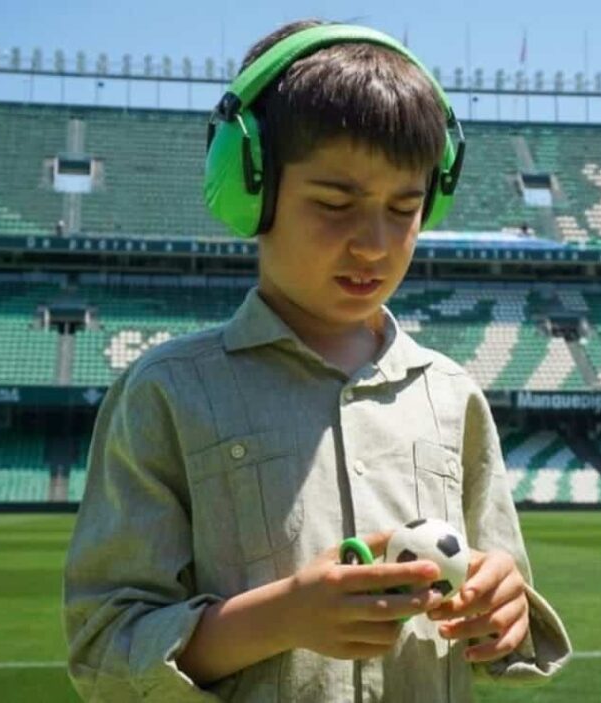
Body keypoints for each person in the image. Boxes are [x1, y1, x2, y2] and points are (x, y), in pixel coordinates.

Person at [63, 19, 572, 702]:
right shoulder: (165, 395)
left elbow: (499, 600)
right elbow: (105, 652)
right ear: (252, 190)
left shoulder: (453, 397)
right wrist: (284, 615)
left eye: (406, 207)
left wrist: (504, 610)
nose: (375, 242)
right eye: (335, 203)